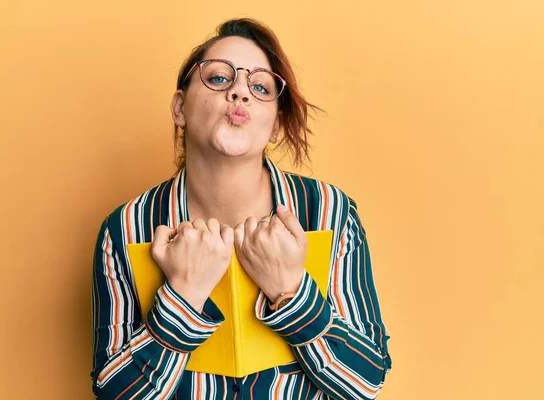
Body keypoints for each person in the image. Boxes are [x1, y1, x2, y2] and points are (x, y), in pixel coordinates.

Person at [91, 18, 392, 399]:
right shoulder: (126, 228)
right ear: (180, 107)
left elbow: (365, 383)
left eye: (261, 87)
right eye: (219, 79)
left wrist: (291, 291)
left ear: (274, 127)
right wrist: (182, 296)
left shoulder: (330, 213)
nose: (240, 93)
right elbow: (113, 393)